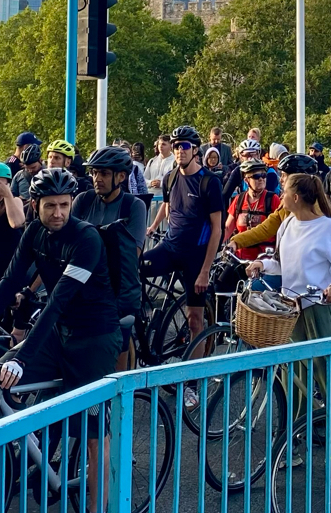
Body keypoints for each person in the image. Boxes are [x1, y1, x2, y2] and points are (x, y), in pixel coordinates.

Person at [0, 167, 120, 513]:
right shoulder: (35, 233)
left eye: (64, 205)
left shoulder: (86, 239)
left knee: (93, 436)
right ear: (34, 205)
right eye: (50, 205)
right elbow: (8, 281)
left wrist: (23, 358)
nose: (58, 213)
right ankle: (33, 454)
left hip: (95, 336)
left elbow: (58, 301)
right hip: (59, 332)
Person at [248, 170, 331, 406]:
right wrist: (262, 264)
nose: (281, 196)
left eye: (284, 191)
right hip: (291, 309)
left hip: (320, 308)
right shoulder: (286, 224)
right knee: (293, 377)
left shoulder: (328, 227)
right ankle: (296, 432)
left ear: (295, 198)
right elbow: (280, 263)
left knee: (330, 376)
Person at [140, 125, 224, 349]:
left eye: (185, 146)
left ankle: (193, 382)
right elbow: (168, 207)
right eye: (176, 146)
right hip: (170, 248)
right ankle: (141, 323)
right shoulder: (170, 178)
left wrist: (205, 271)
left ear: (195, 150)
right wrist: (155, 225)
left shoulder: (209, 182)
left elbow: (217, 229)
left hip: (195, 257)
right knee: (136, 267)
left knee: (194, 320)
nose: (179, 151)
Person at [76, 145, 149, 360]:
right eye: (94, 172)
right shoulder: (84, 200)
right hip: (85, 285)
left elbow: (132, 254)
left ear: (121, 176)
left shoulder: (132, 206)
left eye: (104, 173)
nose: (97, 178)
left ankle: (119, 392)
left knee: (117, 352)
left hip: (119, 289)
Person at [226, 159, 278, 259]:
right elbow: (228, 228)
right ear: (246, 180)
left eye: (264, 175)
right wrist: (214, 246)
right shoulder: (239, 199)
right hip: (240, 258)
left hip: (265, 260)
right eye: (256, 176)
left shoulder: (272, 199)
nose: (261, 179)